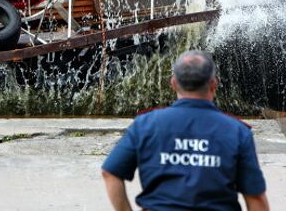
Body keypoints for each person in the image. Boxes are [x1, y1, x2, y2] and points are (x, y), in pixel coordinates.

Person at [101, 50, 269, 211]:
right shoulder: (237, 131)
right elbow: (256, 199)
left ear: (173, 83)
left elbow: (110, 172)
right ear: (213, 84)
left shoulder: (146, 125)